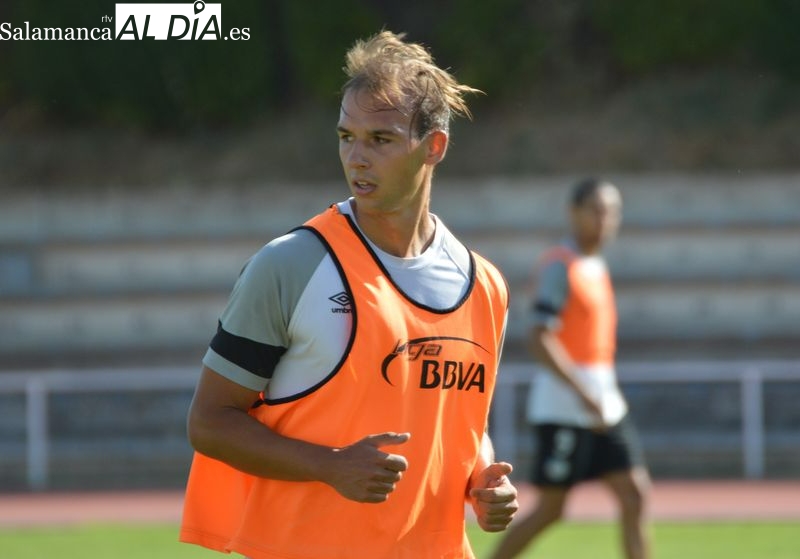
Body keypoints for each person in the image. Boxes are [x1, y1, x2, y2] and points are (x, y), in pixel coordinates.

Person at [179, 30, 518, 559]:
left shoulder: (486, 285)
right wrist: (329, 465)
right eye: (346, 136)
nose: (356, 157)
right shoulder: (290, 265)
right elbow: (209, 422)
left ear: (434, 147)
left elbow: (460, 423)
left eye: (380, 139)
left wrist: (482, 481)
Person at [489, 178, 651, 559]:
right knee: (550, 509)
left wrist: (599, 395)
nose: (605, 219)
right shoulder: (559, 267)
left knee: (635, 493)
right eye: (596, 210)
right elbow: (539, 337)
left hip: (603, 403)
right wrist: (582, 393)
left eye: (611, 211)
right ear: (573, 213)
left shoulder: (594, 265)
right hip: (565, 407)